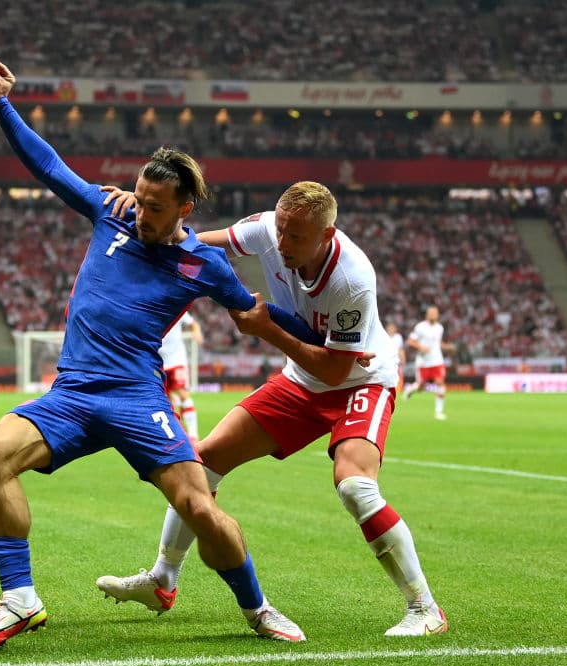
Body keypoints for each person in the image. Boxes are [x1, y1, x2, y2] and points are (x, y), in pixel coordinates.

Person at [0, 56, 323, 653]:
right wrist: (2, 104)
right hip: (74, 394)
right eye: (139, 198)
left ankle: (258, 608)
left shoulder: (203, 264)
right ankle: (19, 599)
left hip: (137, 399)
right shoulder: (112, 212)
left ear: (185, 210)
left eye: (156, 207)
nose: (142, 212)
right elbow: (50, 167)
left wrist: (326, 338)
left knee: (200, 509)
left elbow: (258, 311)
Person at [97, 181, 448, 637]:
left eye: (296, 236)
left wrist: (266, 330)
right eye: (280, 230)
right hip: (303, 381)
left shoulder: (352, 278)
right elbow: (193, 242)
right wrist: (148, 214)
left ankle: (425, 608)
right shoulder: (268, 230)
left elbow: (337, 372)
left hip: (361, 381)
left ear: (327, 235)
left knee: (355, 486)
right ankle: (163, 579)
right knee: (202, 464)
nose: (282, 244)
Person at [402, 306, 453, 420]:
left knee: (440, 382)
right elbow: (410, 341)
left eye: (435, 313)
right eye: (430, 313)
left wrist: (448, 347)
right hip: (423, 362)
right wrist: (421, 347)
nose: (432, 315)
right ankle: (410, 389)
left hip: (437, 360)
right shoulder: (420, 327)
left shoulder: (440, 328)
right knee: (421, 387)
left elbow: (438, 343)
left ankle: (439, 412)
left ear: (438, 315)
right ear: (427, 315)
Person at [159, 311, 203, 440]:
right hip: (160, 362)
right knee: (168, 400)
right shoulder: (152, 309)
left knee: (183, 394)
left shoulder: (176, 307)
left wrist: (196, 331)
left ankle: (194, 436)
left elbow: (193, 323)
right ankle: (177, 435)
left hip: (177, 360)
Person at [386, 321, 406, 394]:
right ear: (387, 329)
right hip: (387, 362)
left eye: (393, 328)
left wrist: (403, 359)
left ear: (395, 329)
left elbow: (401, 349)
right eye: (390, 328)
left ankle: (398, 390)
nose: (391, 329)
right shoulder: (384, 337)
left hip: (396, 362)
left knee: (398, 377)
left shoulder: (398, 337)